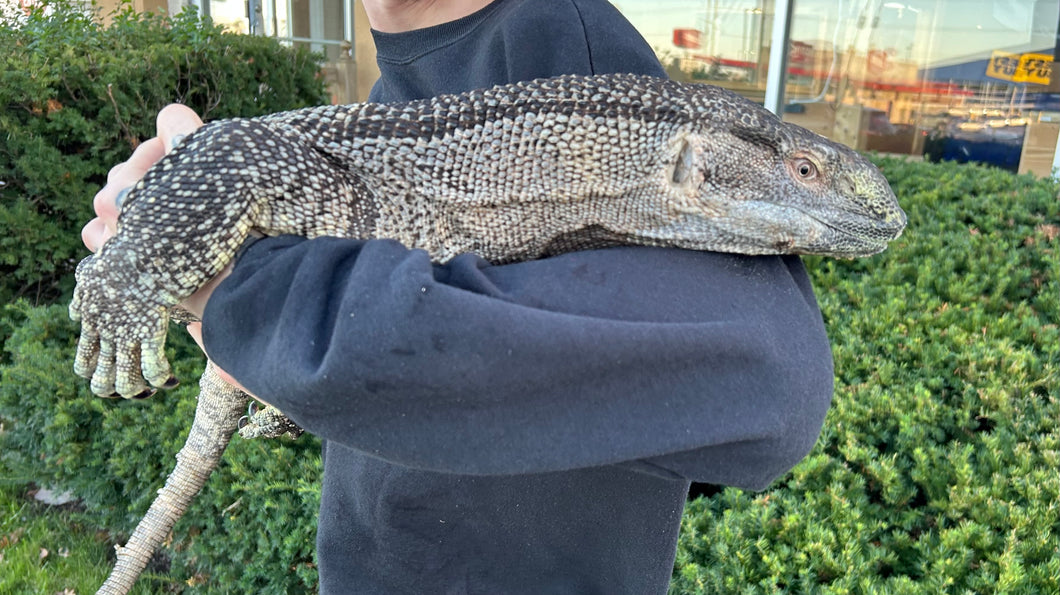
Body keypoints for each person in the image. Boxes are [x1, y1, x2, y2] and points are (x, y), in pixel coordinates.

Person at [83, 1, 835, 593]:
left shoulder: (565, 43)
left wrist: (243, 299)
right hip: (377, 559)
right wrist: (251, 312)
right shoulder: (409, 63)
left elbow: (771, 375)